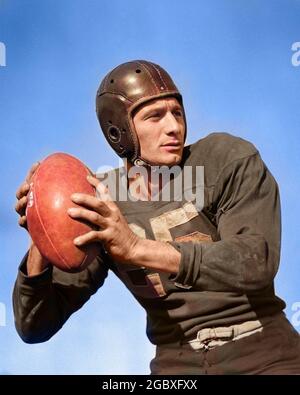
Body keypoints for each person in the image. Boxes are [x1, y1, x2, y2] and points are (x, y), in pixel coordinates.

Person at [14, 60, 300, 375]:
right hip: (178, 366)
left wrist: (137, 248)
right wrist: (42, 232)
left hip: (266, 354)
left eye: (177, 112)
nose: (173, 126)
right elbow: (34, 327)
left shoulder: (225, 159)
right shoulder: (102, 201)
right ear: (118, 131)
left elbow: (255, 260)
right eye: (155, 116)